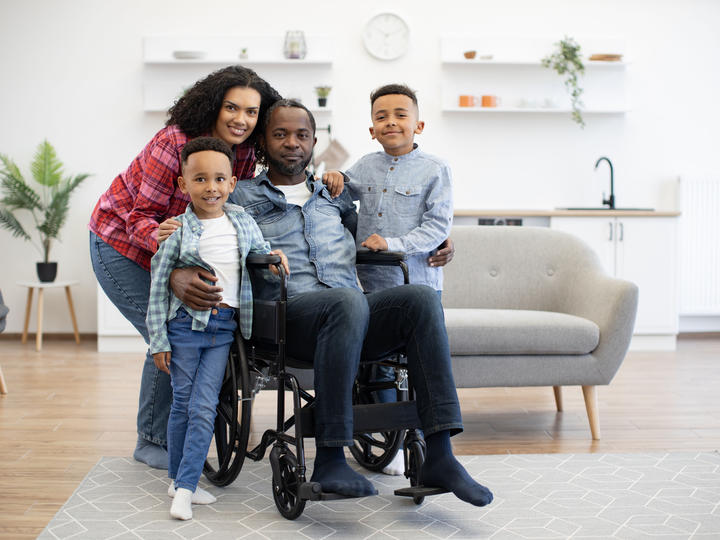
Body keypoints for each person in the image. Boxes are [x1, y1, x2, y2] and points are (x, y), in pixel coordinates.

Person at [221, 99, 493, 506]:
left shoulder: (334, 194)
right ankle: (329, 458)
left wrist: (439, 241)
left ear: (315, 141)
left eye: (301, 135)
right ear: (263, 141)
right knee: (346, 301)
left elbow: (378, 229)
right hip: (286, 322)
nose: (292, 143)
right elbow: (206, 232)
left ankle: (441, 454)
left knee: (419, 299)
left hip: (352, 316)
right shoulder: (239, 195)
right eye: (280, 134)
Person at [89, 65, 281, 469]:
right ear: (214, 104)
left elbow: (226, 213)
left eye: (251, 112)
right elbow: (140, 217)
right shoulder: (174, 142)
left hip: (179, 251)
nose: (241, 120)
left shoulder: (243, 151)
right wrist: (174, 271)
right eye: (232, 107)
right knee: (170, 338)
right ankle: (153, 441)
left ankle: (192, 431)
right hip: (121, 243)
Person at [146, 137, 289, 520]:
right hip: (185, 327)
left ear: (230, 184)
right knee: (183, 405)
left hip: (225, 328)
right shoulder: (177, 230)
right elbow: (159, 287)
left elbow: (258, 252)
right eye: (200, 179)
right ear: (183, 184)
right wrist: (158, 340)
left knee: (204, 405)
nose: (211, 187)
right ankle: (181, 484)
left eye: (219, 179)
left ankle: (184, 483)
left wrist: (274, 255)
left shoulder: (242, 219)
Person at [325, 83, 454, 475]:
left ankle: (425, 439)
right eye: (381, 117)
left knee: (415, 368)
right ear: (371, 128)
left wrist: (393, 243)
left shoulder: (435, 170)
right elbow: (339, 195)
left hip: (416, 286)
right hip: (369, 287)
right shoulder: (364, 166)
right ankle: (387, 444)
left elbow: (437, 226)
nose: (391, 122)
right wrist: (332, 178)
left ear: (419, 124)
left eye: (400, 115)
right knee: (376, 368)